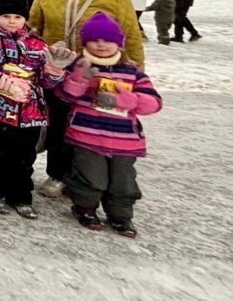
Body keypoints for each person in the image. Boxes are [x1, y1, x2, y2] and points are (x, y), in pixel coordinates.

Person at [29, 0, 145, 198]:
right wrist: (40, 51)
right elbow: (33, 28)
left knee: (96, 126)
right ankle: (57, 174)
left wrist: (136, 73)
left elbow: (132, 36)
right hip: (56, 72)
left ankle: (90, 178)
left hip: (102, 74)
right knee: (58, 123)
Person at [0, 0, 70, 219]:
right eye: (6, 16)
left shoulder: (37, 45)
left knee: (23, 157)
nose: (12, 21)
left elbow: (44, 81)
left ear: (25, 18)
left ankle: (21, 195)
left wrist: (55, 70)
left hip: (28, 113)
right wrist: (0, 79)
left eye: (17, 17)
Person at [55, 13, 162, 237]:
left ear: (119, 43)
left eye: (107, 40)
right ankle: (85, 208)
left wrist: (131, 101)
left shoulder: (132, 71)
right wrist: (80, 78)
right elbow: (64, 95)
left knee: (123, 181)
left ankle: (121, 216)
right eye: (94, 40)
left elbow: (154, 102)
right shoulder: (80, 64)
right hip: (87, 134)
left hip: (124, 140)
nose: (101, 45)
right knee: (90, 177)